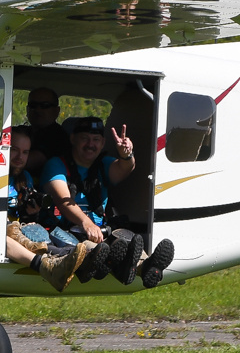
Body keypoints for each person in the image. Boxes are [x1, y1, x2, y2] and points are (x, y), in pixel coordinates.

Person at [43, 116, 176, 288]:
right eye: (85, 138)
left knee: (125, 241)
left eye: (96, 140)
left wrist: (127, 155)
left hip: (102, 231)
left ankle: (147, 267)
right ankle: (119, 265)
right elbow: (63, 201)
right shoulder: (56, 165)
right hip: (69, 231)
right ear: (73, 139)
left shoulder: (102, 164)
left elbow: (124, 168)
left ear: (103, 142)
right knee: (95, 248)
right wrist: (86, 223)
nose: (90, 144)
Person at [4, 125, 91, 290]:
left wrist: (32, 215)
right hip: (4, 235)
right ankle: (52, 266)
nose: (19, 157)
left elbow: (26, 219)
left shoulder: (25, 177)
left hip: (23, 231)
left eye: (25, 152)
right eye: (14, 150)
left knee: (47, 232)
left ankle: (81, 256)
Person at [23, 87, 70, 176]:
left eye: (45, 105)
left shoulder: (58, 136)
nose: (38, 110)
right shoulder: (23, 131)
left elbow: (30, 161)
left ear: (57, 111)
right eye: (33, 105)